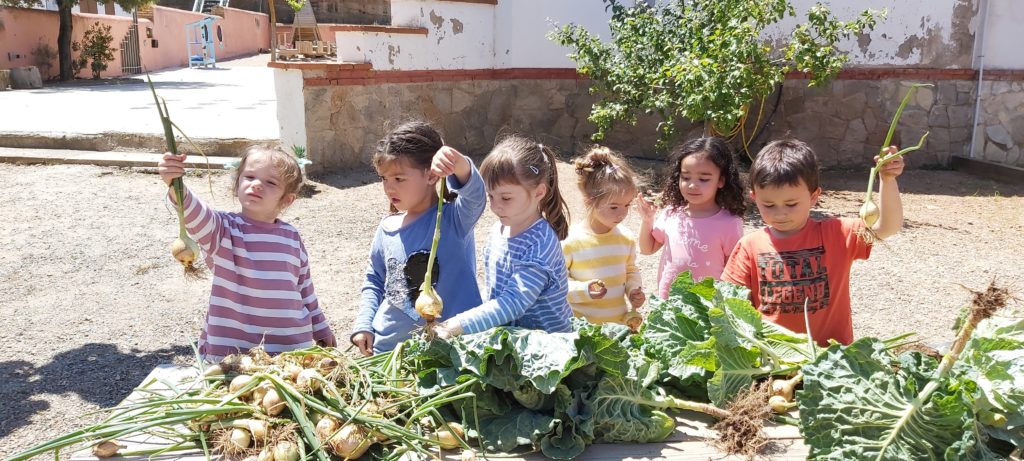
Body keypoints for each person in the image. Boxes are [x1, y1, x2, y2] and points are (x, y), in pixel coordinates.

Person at [158, 147, 336, 362]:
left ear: (287, 200)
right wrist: (174, 184)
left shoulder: (291, 236)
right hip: (233, 355)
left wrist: (320, 326)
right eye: (250, 177)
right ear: (237, 184)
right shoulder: (222, 230)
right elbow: (193, 212)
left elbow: (304, 287)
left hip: (291, 350)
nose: (257, 184)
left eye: (271, 182)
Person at [721, 139, 905, 345]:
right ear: (754, 197)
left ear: (814, 196)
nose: (780, 213)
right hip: (773, 358)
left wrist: (887, 179)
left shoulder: (837, 233)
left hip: (831, 357)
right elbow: (733, 302)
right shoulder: (749, 246)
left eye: (791, 204)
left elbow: (887, 227)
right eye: (769, 205)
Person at [351, 121, 487, 355]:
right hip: (389, 351)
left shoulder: (454, 220)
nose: (389, 188)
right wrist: (364, 325)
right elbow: (374, 281)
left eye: (399, 179)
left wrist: (457, 163)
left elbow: (476, 196)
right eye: (384, 178)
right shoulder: (386, 228)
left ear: (431, 175)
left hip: (450, 354)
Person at [434, 136, 574, 338]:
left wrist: (455, 326)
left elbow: (513, 302)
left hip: (548, 345)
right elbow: (494, 291)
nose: (495, 206)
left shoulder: (541, 243)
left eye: (506, 198)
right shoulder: (497, 231)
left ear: (539, 192)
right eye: (491, 196)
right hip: (513, 341)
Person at [637, 137, 747, 299]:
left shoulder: (730, 223)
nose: (692, 185)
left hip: (708, 305)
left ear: (721, 180)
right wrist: (647, 221)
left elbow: (734, 269)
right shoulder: (671, 213)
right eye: (686, 177)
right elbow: (647, 249)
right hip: (670, 302)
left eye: (703, 179)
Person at [562, 146, 645, 326]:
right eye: (614, 207)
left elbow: (631, 270)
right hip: (582, 332)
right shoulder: (570, 241)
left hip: (617, 328)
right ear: (589, 201)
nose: (622, 214)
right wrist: (585, 290)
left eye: (627, 205)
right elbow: (558, 285)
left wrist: (633, 290)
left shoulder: (626, 238)